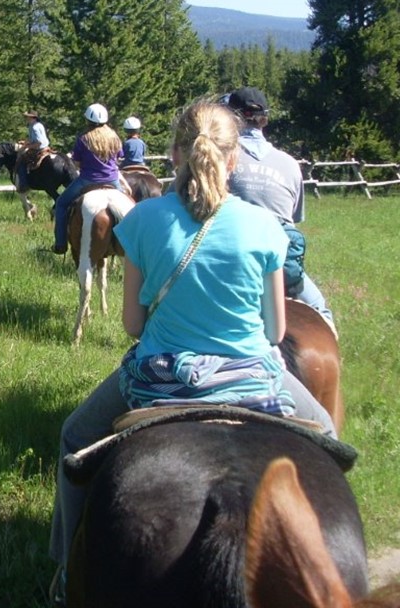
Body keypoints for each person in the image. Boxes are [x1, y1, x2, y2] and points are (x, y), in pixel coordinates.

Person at [47, 100, 336, 606]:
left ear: (175, 153)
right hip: (252, 376)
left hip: (161, 375)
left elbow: (133, 325)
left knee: (75, 436)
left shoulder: (142, 220)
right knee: (330, 439)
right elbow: (274, 331)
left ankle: (64, 575)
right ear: (233, 160)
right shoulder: (265, 226)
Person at [224, 86, 335, 329]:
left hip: (229, 258)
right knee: (321, 312)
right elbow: (292, 219)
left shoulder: (220, 158)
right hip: (281, 263)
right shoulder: (289, 163)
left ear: (231, 118)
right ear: (265, 119)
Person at [51, 103, 124, 254]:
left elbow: (77, 162)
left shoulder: (84, 138)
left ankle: (60, 243)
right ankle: (130, 244)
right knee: (130, 209)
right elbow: (119, 158)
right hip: (112, 180)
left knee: (61, 204)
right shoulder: (114, 136)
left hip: (88, 179)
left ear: (87, 121)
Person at [16, 110, 50, 191]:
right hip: (43, 146)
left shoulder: (34, 127)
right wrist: (25, 142)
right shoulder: (36, 125)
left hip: (39, 148)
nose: (26, 118)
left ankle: (23, 184)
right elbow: (33, 139)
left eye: (28, 117)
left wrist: (27, 146)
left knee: (21, 161)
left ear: (32, 118)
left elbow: (38, 143)